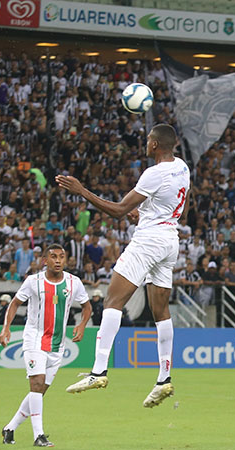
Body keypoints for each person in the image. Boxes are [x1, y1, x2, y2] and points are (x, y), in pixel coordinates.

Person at [56, 124, 189, 408]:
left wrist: (82, 191)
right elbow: (167, 206)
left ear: (154, 145)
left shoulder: (154, 173)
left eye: (148, 140)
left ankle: (98, 372)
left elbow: (117, 210)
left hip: (149, 242)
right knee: (161, 311)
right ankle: (164, 379)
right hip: (169, 240)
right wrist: (144, 216)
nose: (145, 143)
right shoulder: (182, 168)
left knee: (113, 300)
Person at [0, 244, 92, 447]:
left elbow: (87, 306)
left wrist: (83, 324)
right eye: (53, 257)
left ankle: (10, 428)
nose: (58, 260)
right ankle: (38, 435)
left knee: (39, 392)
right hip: (34, 340)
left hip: (57, 345)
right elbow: (15, 303)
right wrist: (6, 328)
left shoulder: (74, 282)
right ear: (45, 261)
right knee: (36, 385)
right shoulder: (34, 281)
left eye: (61, 256)